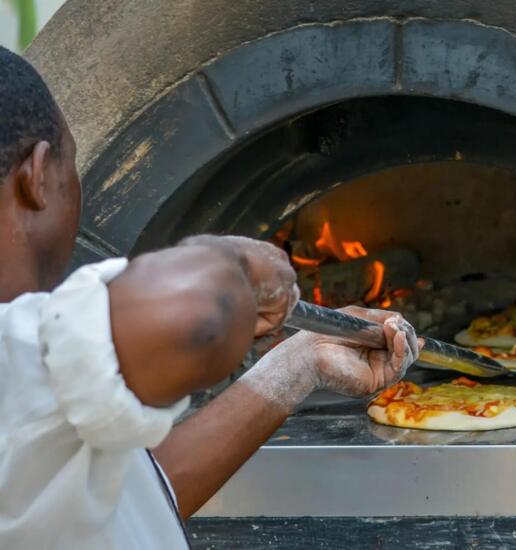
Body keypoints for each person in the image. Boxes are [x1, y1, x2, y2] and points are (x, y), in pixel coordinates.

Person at [0, 46, 419, 548]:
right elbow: (195, 312)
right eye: (72, 165)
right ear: (37, 176)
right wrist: (242, 268)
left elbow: (137, 494)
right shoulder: (16, 352)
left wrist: (300, 362)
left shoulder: (28, 410)